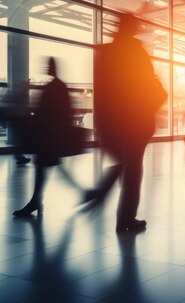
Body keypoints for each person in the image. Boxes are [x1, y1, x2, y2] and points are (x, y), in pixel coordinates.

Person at [83, 13, 167, 232]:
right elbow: (149, 87)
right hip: (135, 121)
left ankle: (102, 194)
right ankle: (125, 218)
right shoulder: (138, 54)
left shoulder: (105, 53)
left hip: (112, 121)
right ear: (134, 29)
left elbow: (101, 91)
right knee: (132, 171)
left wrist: (101, 121)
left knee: (123, 164)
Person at [13, 58, 71, 217]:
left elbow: (47, 112)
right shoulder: (59, 86)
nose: (46, 68)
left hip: (49, 136)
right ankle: (35, 201)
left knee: (43, 168)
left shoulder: (53, 87)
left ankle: (36, 202)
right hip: (52, 136)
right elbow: (65, 113)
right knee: (45, 168)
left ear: (52, 68)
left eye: (48, 66)